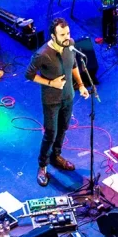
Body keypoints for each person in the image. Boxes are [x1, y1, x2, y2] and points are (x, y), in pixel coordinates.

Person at [25, 19, 89, 187]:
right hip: (51, 100)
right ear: (53, 36)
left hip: (68, 96)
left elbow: (73, 65)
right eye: (62, 35)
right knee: (50, 133)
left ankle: (56, 156)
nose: (67, 37)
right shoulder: (42, 54)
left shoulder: (71, 45)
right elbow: (29, 74)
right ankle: (42, 165)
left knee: (63, 128)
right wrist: (51, 83)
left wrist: (81, 85)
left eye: (68, 33)